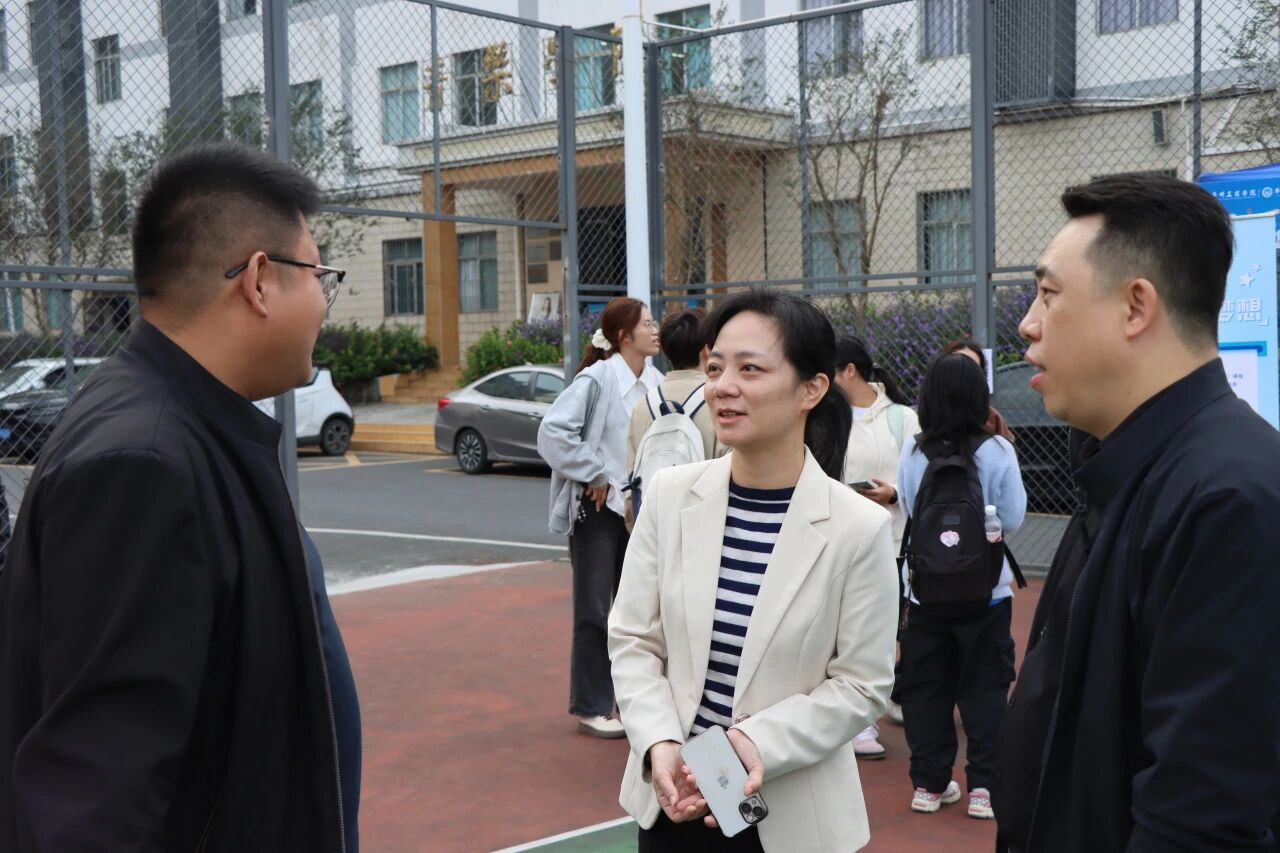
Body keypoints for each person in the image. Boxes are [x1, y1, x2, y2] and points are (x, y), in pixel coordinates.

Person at [0, 144, 358, 851]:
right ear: (260, 281)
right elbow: (94, 798)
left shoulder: (183, 424)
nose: (324, 301)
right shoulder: (144, 464)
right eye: (320, 275)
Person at [994, 174, 1280, 850]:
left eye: (1048, 294)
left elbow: (1199, 814)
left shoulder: (1227, 498)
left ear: (1135, 307)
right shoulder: (1122, 466)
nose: (1028, 323)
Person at [609, 288, 899, 852]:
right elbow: (633, 638)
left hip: (791, 817)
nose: (723, 386)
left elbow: (863, 685)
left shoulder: (858, 528)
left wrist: (751, 743)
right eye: (715, 367)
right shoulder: (670, 497)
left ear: (812, 389)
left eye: (750, 368)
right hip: (676, 799)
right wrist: (658, 742)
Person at [893, 352, 1025, 821]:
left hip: (925, 592)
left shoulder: (913, 452)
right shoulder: (998, 450)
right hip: (986, 592)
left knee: (926, 688)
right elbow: (1013, 518)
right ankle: (984, 788)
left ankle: (929, 785)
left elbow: (910, 508)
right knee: (985, 688)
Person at [537, 296, 662, 739]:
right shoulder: (598, 379)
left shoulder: (656, 383)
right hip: (598, 511)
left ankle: (631, 703)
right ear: (623, 336)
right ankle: (591, 705)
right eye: (647, 323)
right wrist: (594, 473)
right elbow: (553, 432)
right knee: (594, 608)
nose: (656, 329)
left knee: (638, 612)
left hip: (641, 512)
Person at [833, 334, 920, 759]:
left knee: (884, 631)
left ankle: (876, 708)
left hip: (894, 540)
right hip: (841, 538)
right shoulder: (826, 414)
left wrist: (895, 494)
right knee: (844, 629)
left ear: (849, 371)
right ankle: (856, 724)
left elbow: (922, 477)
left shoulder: (903, 418)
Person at [626, 308, 725, 526]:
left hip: (654, 527)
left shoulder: (643, 405)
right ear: (706, 350)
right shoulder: (720, 400)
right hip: (704, 526)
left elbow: (633, 476)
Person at [942, 340, 1016, 442]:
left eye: (974, 367)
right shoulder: (925, 415)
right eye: (957, 365)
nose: (965, 372)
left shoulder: (992, 418)